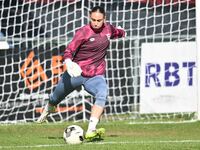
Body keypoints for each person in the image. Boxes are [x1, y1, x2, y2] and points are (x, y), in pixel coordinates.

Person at [37, 5, 126, 141]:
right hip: (76, 73)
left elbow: (117, 32)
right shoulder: (83, 32)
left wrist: (122, 32)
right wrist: (68, 62)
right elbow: (69, 50)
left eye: (99, 20)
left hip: (95, 76)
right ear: (89, 17)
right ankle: (49, 107)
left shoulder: (109, 29)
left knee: (102, 94)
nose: (96, 23)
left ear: (105, 19)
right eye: (93, 20)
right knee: (55, 98)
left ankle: (91, 130)